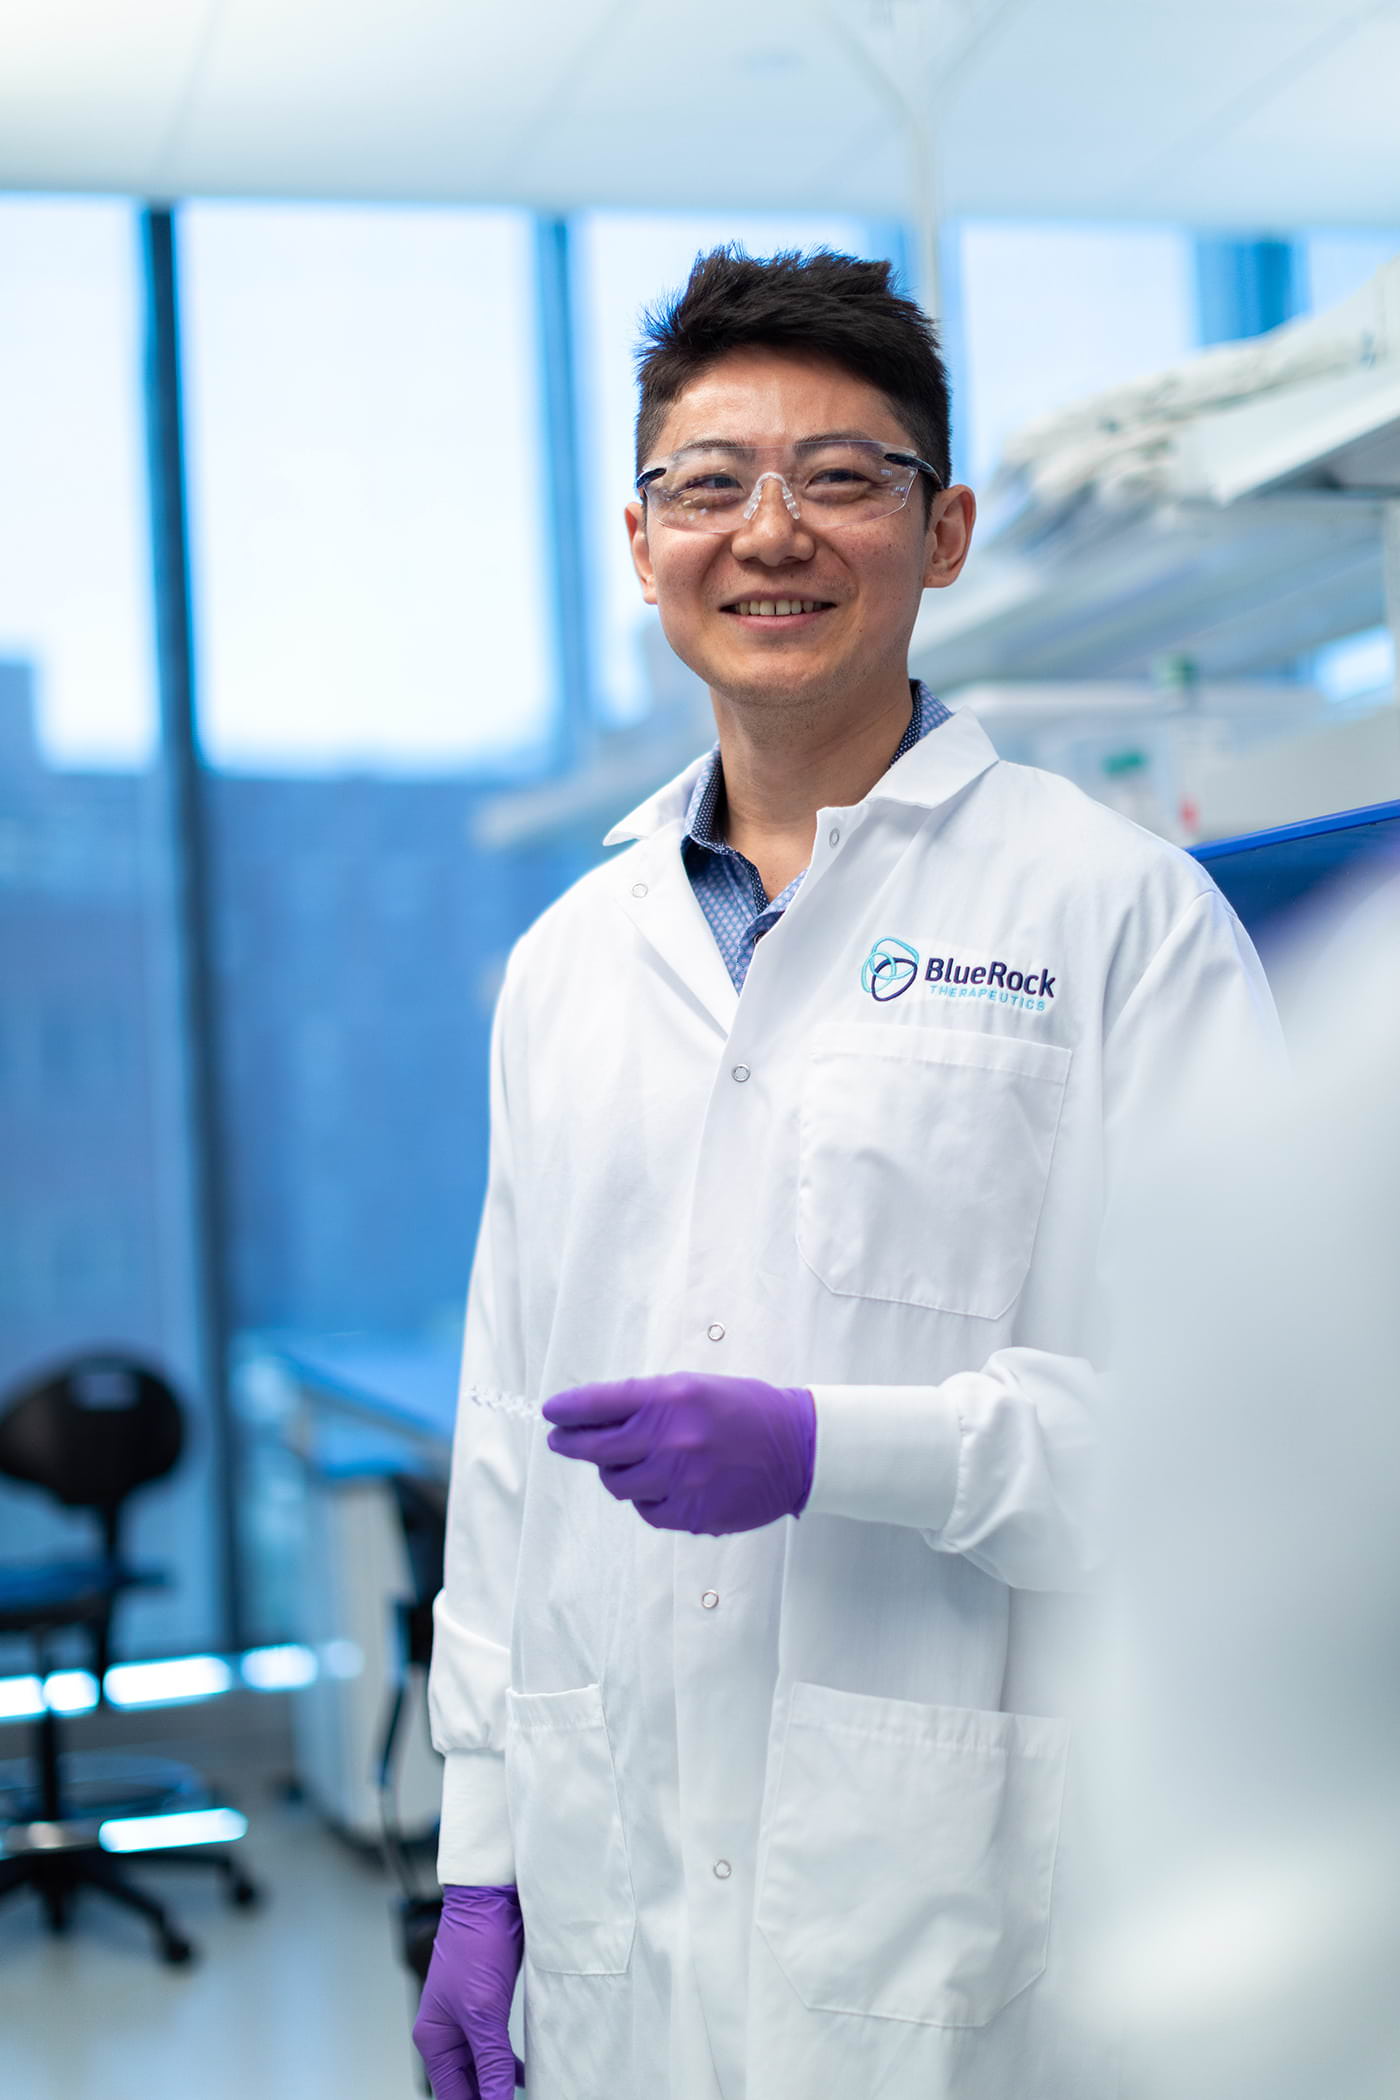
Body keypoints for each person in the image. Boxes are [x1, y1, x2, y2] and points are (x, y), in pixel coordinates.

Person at [411, 247, 1280, 2100]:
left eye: (844, 477)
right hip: (615, 1895)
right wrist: (475, 1857)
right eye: (709, 484)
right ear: (643, 548)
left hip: (974, 1915)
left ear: (943, 530)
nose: (770, 532)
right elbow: (502, 1441)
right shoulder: (567, 961)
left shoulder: (1118, 917)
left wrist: (840, 1450)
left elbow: (1249, 1459)